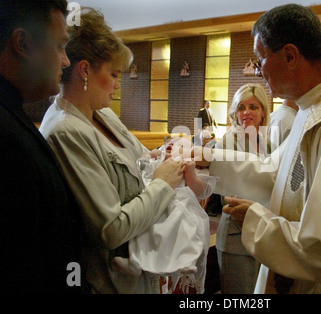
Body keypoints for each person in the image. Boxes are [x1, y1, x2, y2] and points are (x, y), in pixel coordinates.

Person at [211, 4, 321, 294]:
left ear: (290, 55)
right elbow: (276, 172)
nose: (258, 72)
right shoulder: (313, 106)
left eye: (260, 60)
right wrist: (209, 161)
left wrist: (255, 219)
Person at [39, 7, 185, 294]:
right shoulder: (65, 130)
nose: (119, 85)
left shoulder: (103, 115)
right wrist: (162, 184)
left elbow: (143, 158)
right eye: (114, 74)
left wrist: (170, 151)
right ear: (85, 70)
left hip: (140, 271)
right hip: (108, 280)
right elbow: (111, 229)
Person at [0, 0, 82, 294]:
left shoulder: (13, 116)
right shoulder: (7, 138)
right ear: (22, 43)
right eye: (60, 46)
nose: (65, 61)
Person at [111, 137, 217, 294]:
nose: (173, 145)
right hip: (153, 206)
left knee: (187, 232)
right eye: (169, 144)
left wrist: (190, 174)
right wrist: (148, 156)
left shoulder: (187, 168)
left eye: (181, 146)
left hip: (179, 210)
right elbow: (138, 167)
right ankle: (134, 263)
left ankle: (186, 260)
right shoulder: (156, 163)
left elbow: (201, 191)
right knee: (141, 236)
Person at [214, 83, 271, 294]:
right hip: (236, 236)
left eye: (253, 107)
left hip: (266, 236)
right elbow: (227, 195)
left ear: (263, 112)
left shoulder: (271, 143)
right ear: (235, 113)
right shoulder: (228, 142)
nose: (246, 112)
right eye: (241, 107)